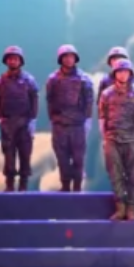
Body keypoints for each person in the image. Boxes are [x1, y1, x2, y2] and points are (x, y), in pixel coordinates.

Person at [98, 59, 134, 221]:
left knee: (133, 175)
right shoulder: (106, 94)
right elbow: (102, 118)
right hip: (112, 139)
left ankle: (132, 208)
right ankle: (120, 207)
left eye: (126, 71)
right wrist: (104, 138)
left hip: (132, 139)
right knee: (115, 174)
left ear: (130, 74)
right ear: (114, 74)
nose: (123, 74)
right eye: (119, 71)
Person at [46, 45, 94, 192]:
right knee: (62, 158)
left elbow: (89, 102)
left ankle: (77, 187)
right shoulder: (53, 79)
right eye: (65, 56)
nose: (68, 59)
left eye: (71, 56)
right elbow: (50, 101)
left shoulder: (84, 79)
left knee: (78, 158)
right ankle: (65, 186)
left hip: (78, 125)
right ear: (60, 59)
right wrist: (54, 120)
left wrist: (86, 120)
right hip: (60, 125)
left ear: (75, 58)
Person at [0, 46, 40, 192]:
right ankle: (9, 184)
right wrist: (0, 118)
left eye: (15, 58)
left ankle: (23, 185)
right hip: (8, 123)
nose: (13, 61)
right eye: (10, 59)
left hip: (25, 123)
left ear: (20, 61)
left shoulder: (29, 80)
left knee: (25, 154)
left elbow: (34, 99)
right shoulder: (0, 81)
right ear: (6, 61)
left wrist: (32, 119)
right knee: (9, 155)